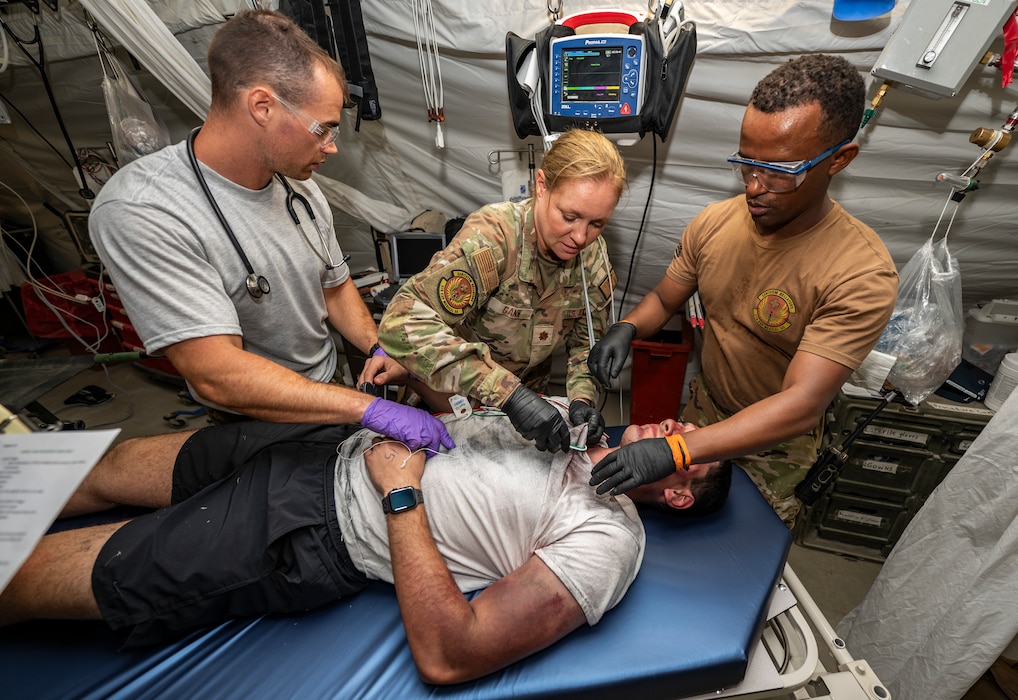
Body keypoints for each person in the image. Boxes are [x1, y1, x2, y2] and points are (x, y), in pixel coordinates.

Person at [0, 410, 730, 684]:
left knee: (34, 576)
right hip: (325, 439)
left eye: (686, 444)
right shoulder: (579, 426)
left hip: (316, 523)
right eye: (687, 420)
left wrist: (399, 492)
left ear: (675, 492)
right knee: (104, 469)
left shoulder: (608, 539)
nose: (674, 422)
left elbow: (453, 652)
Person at [88, 10, 452, 454]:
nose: (332, 147)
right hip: (249, 414)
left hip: (327, 387)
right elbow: (217, 374)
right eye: (324, 129)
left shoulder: (300, 188)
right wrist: (366, 410)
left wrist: (379, 347)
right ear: (262, 106)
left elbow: (334, 289)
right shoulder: (145, 209)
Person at [587, 54, 898, 525]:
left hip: (777, 440)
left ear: (838, 159)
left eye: (779, 171)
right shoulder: (715, 223)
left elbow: (800, 406)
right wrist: (628, 327)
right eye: (746, 165)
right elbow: (666, 299)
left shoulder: (859, 273)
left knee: (745, 544)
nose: (754, 188)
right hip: (704, 408)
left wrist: (678, 449)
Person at [361, 128, 626, 453]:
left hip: (530, 414)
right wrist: (509, 394)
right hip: (454, 400)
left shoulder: (592, 257)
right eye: (569, 217)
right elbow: (401, 322)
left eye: (597, 224)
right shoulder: (494, 238)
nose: (581, 237)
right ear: (541, 186)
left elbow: (585, 345)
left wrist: (581, 400)